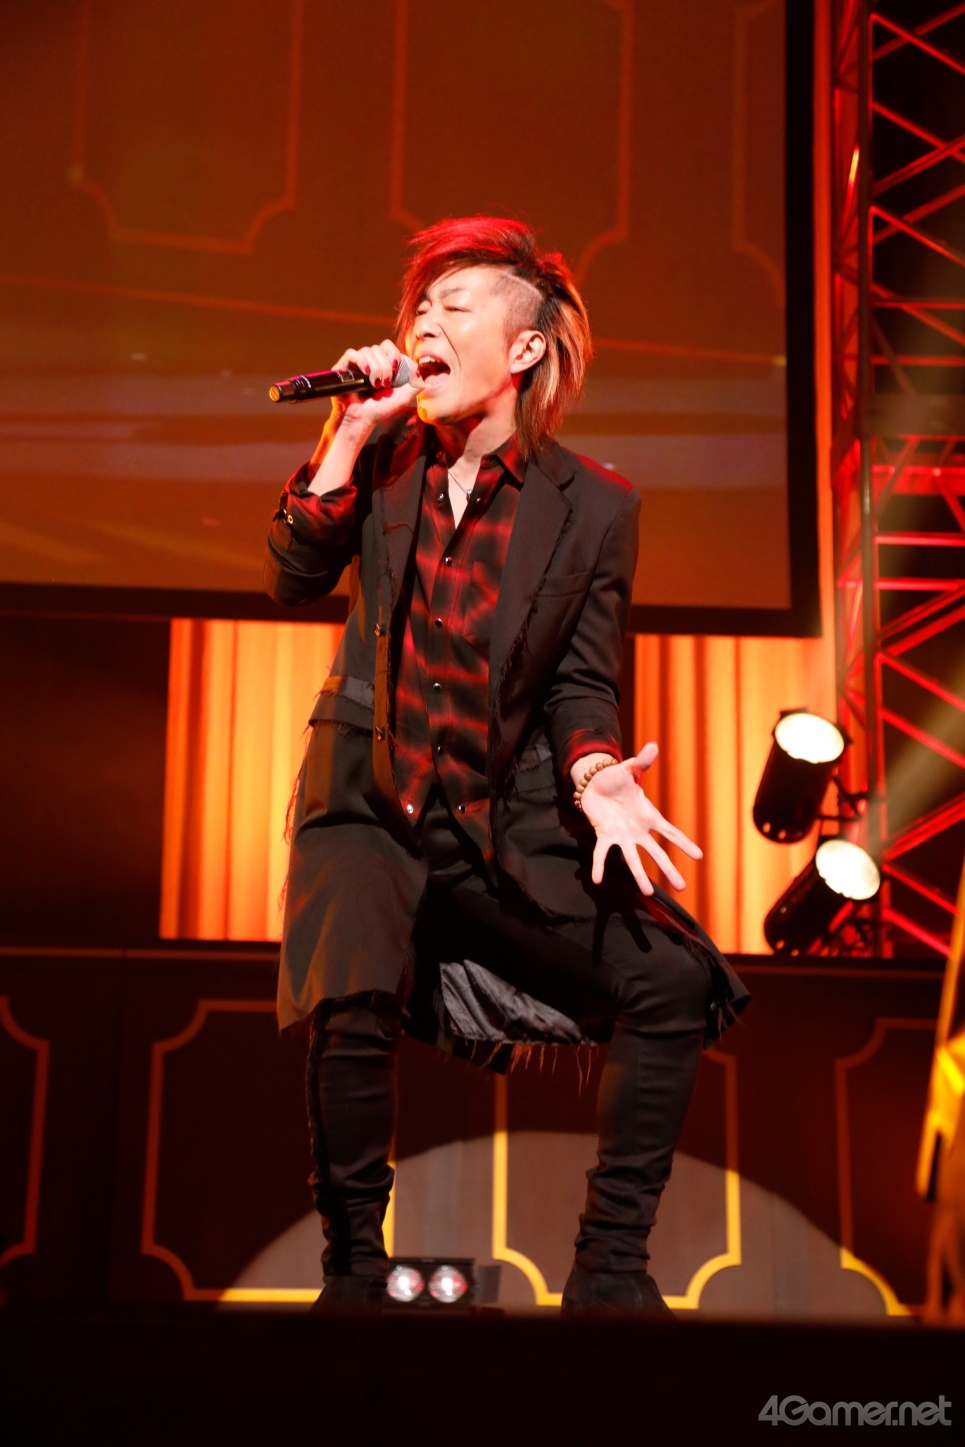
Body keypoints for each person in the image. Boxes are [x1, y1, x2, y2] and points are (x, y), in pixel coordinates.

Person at [264, 215, 748, 1315]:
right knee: (350, 986)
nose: (423, 327)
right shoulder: (380, 455)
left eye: (454, 308)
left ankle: (610, 1268)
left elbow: (582, 681)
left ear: (523, 348)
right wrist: (345, 431)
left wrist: (595, 772)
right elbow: (293, 575)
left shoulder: (596, 507)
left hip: (495, 811)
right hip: (368, 794)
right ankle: (353, 1273)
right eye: (418, 311)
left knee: (670, 979)